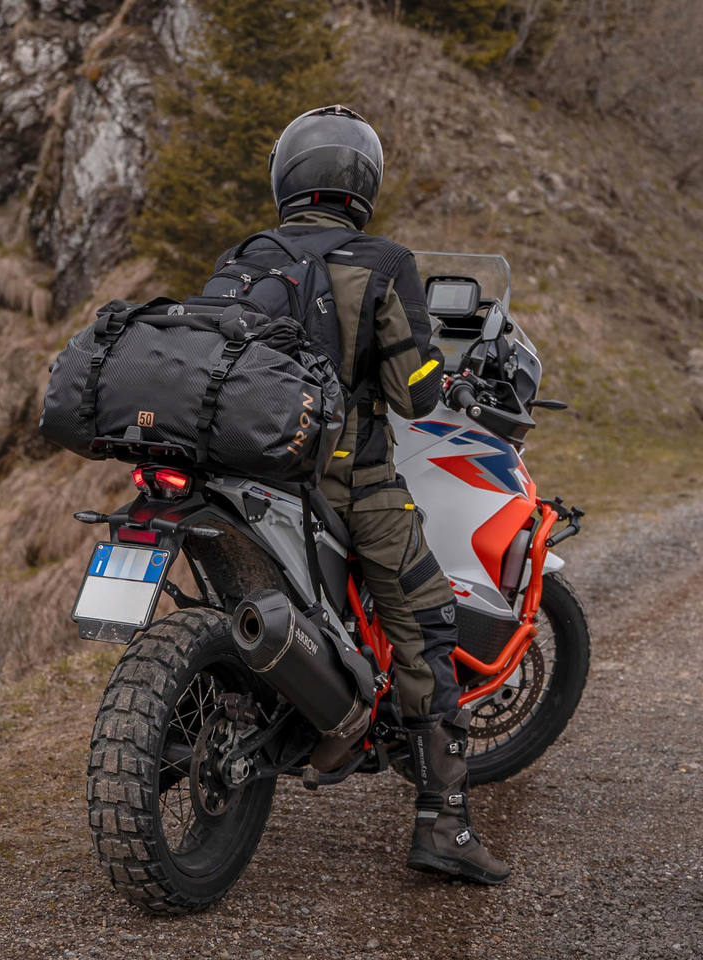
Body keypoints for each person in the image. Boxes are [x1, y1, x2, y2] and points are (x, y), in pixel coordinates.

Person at [229, 105, 509, 885]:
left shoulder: (248, 256)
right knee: (426, 619)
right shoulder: (383, 263)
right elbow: (415, 394)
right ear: (362, 184)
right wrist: (441, 371)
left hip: (247, 472)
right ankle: (444, 825)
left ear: (287, 178)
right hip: (346, 479)